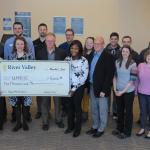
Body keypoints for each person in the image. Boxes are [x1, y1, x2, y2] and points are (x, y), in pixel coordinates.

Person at [4, 22, 34, 123]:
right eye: (15, 28)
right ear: (13, 30)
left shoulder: (29, 40)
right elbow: (6, 59)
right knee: (15, 98)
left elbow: (32, 57)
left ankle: (27, 115)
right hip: (13, 77)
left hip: (26, 77)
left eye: (19, 28)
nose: (17, 30)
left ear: (22, 29)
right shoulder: (8, 41)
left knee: (26, 99)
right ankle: (14, 116)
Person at [36, 32, 66, 130]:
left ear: (55, 41)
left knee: (58, 102)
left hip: (57, 83)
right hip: (44, 82)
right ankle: (45, 122)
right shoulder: (40, 53)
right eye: (48, 41)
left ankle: (58, 119)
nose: (50, 42)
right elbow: (37, 68)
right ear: (45, 41)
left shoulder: (61, 52)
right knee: (45, 102)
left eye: (52, 41)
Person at [86, 36, 115, 138]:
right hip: (92, 86)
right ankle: (95, 126)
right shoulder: (91, 55)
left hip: (102, 88)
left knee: (102, 109)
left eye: (99, 44)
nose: (96, 45)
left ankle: (101, 128)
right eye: (95, 44)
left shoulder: (108, 56)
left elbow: (109, 75)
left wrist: (105, 89)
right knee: (94, 108)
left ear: (103, 44)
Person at [8, 36, 33, 131]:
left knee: (25, 104)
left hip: (27, 85)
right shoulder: (11, 56)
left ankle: (25, 123)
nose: (20, 45)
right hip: (14, 85)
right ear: (15, 45)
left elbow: (33, 70)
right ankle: (18, 123)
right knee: (16, 105)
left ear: (24, 45)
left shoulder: (29, 56)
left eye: (21, 44)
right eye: (17, 44)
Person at [64, 40, 88, 137]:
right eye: (72, 48)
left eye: (76, 48)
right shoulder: (66, 59)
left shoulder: (83, 60)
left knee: (77, 108)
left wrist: (73, 89)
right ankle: (70, 127)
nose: (73, 50)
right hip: (67, 87)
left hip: (78, 88)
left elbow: (84, 77)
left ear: (79, 49)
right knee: (69, 108)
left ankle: (77, 129)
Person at [112, 45, 137, 139]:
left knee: (128, 111)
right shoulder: (117, 62)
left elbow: (132, 80)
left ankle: (127, 132)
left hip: (128, 91)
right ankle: (119, 128)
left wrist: (122, 91)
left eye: (126, 51)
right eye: (123, 51)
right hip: (118, 90)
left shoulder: (133, 64)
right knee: (119, 110)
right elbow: (114, 76)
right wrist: (115, 89)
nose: (124, 53)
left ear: (130, 52)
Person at [33, 23, 48, 119]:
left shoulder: (50, 42)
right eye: (40, 29)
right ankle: (39, 110)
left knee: (47, 92)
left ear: (46, 30)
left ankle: (46, 111)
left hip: (47, 71)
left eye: (44, 29)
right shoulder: (33, 43)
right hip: (37, 71)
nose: (42, 31)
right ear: (38, 31)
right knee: (39, 92)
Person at [59, 28, 75, 117]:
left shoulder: (76, 45)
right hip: (64, 74)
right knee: (64, 94)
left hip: (74, 74)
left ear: (73, 36)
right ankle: (64, 109)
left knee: (73, 93)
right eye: (67, 35)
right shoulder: (61, 46)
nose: (68, 36)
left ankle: (72, 109)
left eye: (70, 35)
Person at [105, 32, 120, 119]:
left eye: (115, 39)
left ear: (117, 40)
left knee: (115, 95)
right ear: (110, 39)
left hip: (117, 76)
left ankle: (115, 112)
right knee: (107, 95)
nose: (113, 40)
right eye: (112, 39)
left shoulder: (121, 50)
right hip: (107, 76)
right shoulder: (105, 49)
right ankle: (106, 110)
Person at [136, 50, 150, 139]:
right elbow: (137, 79)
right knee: (143, 111)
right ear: (146, 57)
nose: (149, 57)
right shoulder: (141, 65)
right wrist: (135, 91)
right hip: (141, 93)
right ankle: (142, 128)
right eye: (148, 56)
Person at [82, 37, 94, 122]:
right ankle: (81, 113)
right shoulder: (82, 53)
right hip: (81, 80)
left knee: (87, 98)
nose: (89, 44)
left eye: (90, 43)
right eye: (87, 42)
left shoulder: (95, 54)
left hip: (90, 80)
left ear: (93, 44)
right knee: (81, 97)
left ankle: (85, 114)